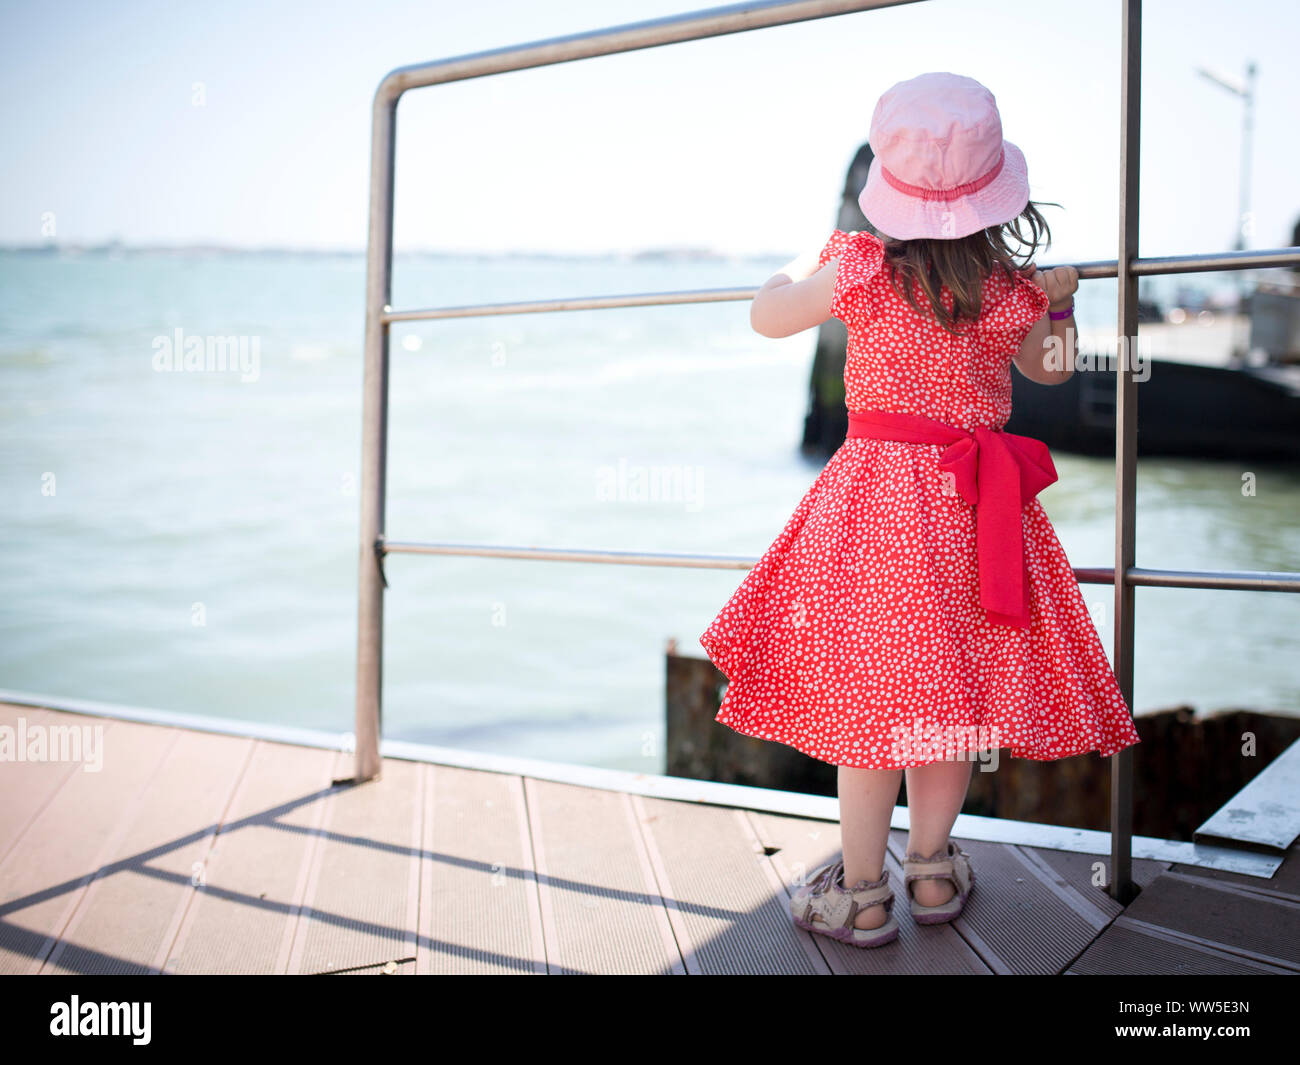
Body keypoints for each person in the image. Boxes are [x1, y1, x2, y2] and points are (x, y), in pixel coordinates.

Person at [697, 72, 1141, 949]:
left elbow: (766, 317)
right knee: (949, 707)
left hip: (875, 509)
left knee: (870, 711)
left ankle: (863, 894)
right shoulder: (1011, 286)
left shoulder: (859, 265)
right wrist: (1063, 298)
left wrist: (798, 262)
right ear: (995, 192)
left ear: (889, 193)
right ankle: (932, 871)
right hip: (979, 512)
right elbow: (1052, 371)